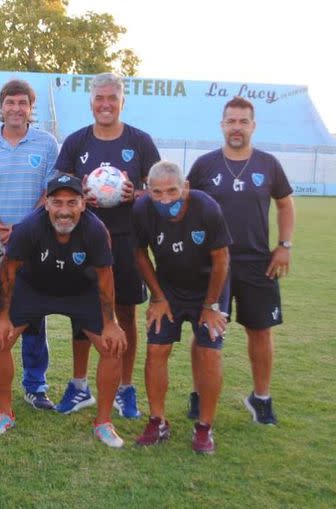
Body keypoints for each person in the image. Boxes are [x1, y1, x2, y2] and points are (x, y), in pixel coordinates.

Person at [0, 175, 127, 447]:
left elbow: (105, 277)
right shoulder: (29, 228)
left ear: (83, 204)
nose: (64, 210)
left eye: (72, 202)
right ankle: (4, 413)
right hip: (34, 289)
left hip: (80, 291)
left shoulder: (96, 231)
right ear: (46, 204)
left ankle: (104, 422)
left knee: (112, 346)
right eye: (57, 202)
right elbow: (9, 271)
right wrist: (2, 315)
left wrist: (111, 322)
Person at [53, 72, 160, 419]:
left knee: (126, 312)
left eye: (112, 98)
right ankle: (79, 384)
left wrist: (137, 194)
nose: (105, 104)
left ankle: (125, 389)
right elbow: (57, 185)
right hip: (83, 239)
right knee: (82, 311)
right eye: (99, 98)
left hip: (128, 240)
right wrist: (77, 191)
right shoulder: (76, 141)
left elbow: (161, 190)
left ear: (122, 101)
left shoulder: (140, 141)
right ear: (91, 102)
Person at [187, 96, 295, 425]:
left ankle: (260, 398)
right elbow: (186, 205)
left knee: (260, 331)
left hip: (257, 262)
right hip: (212, 263)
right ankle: (198, 392)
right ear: (222, 125)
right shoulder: (205, 165)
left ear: (253, 126)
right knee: (206, 331)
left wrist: (284, 245)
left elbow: (285, 204)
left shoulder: (268, 164)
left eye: (243, 122)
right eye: (231, 121)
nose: (236, 128)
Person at [0, 79, 59, 410]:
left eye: (23, 103)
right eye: (10, 102)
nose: (16, 108)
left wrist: (23, 229)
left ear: (31, 109)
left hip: (33, 247)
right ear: (1, 107)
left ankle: (35, 384)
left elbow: (50, 194)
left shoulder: (47, 144)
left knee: (33, 317)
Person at [132, 161, 231, 454]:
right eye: (157, 192)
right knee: (156, 349)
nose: (165, 200)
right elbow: (140, 255)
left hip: (209, 288)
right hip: (169, 289)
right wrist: (158, 296)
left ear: (185, 187)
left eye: (172, 191)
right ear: (148, 191)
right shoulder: (142, 210)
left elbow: (221, 258)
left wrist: (211, 305)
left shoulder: (207, 208)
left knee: (209, 350)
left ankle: (204, 428)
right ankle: (157, 421)